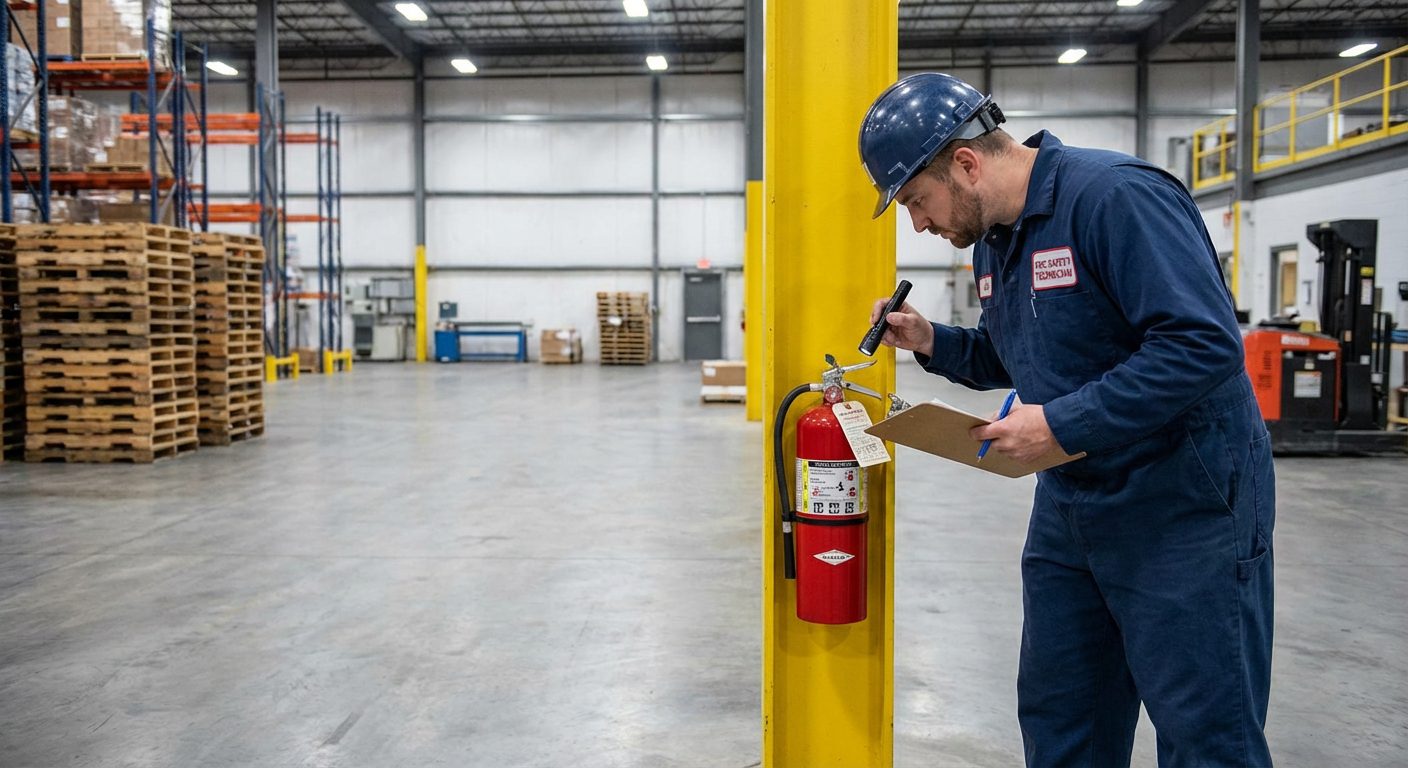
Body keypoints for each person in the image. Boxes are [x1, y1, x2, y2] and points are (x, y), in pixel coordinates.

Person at [858, 73, 1276, 767]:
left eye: (915, 201)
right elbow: (1022, 350)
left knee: (1207, 735)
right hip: (1073, 507)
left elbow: (1201, 343)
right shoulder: (996, 237)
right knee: (1064, 718)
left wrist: (1060, 425)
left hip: (1184, 506)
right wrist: (932, 339)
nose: (920, 223)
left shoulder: (1116, 198)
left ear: (965, 164)